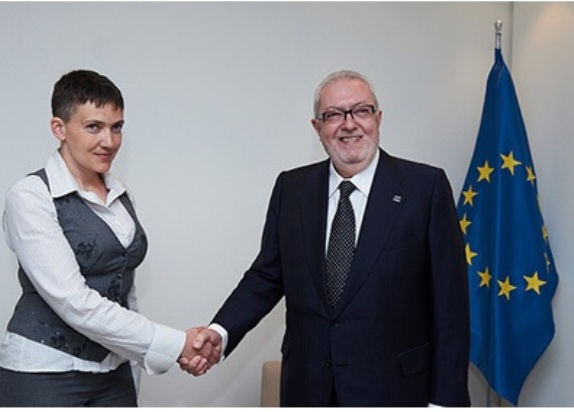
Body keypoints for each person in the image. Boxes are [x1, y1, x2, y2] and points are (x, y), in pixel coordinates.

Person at [183, 70, 471, 406]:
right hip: (308, 388)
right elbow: (266, 276)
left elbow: (450, 305)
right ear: (317, 127)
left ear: (378, 119)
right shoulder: (292, 188)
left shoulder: (425, 187)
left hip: (395, 391)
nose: (349, 124)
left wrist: (446, 401)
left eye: (361, 110)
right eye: (333, 114)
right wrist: (220, 332)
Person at [0, 69, 217, 407]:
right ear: (59, 128)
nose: (110, 141)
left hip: (113, 371)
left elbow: (124, 290)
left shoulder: (120, 193)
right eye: (94, 127)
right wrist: (176, 345)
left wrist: (135, 364)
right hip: (44, 371)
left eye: (117, 127)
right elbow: (73, 301)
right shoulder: (30, 196)